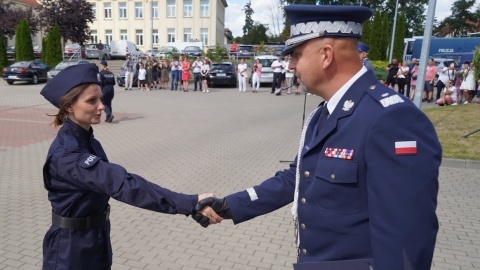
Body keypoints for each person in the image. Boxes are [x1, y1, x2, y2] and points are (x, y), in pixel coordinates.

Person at [193, 4, 442, 270]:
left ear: (326, 55)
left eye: (296, 55)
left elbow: (406, 241)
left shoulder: (392, 120)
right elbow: (297, 177)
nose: (290, 65)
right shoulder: (325, 112)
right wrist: (231, 205)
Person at [39, 63, 221, 269]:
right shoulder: (68, 155)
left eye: (100, 98)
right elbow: (124, 185)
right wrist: (191, 203)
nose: (101, 105)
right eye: (92, 100)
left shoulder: (87, 140)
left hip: (95, 237)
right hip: (70, 248)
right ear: (69, 106)